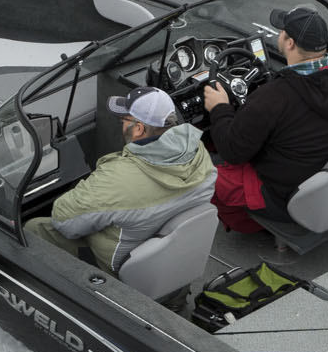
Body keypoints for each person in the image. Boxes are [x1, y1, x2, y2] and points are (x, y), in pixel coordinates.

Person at [201, 4, 328, 233]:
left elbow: (232, 151)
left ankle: (253, 227)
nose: (279, 34)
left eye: (282, 31)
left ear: (289, 42)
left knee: (204, 175)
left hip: (284, 198)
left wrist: (219, 108)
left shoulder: (273, 97)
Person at [26, 87, 216, 274]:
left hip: (114, 266)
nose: (122, 124)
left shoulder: (116, 179)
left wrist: (91, 186)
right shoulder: (198, 152)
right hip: (167, 260)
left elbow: (63, 219)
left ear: (139, 129)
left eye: (125, 119)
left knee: (35, 227)